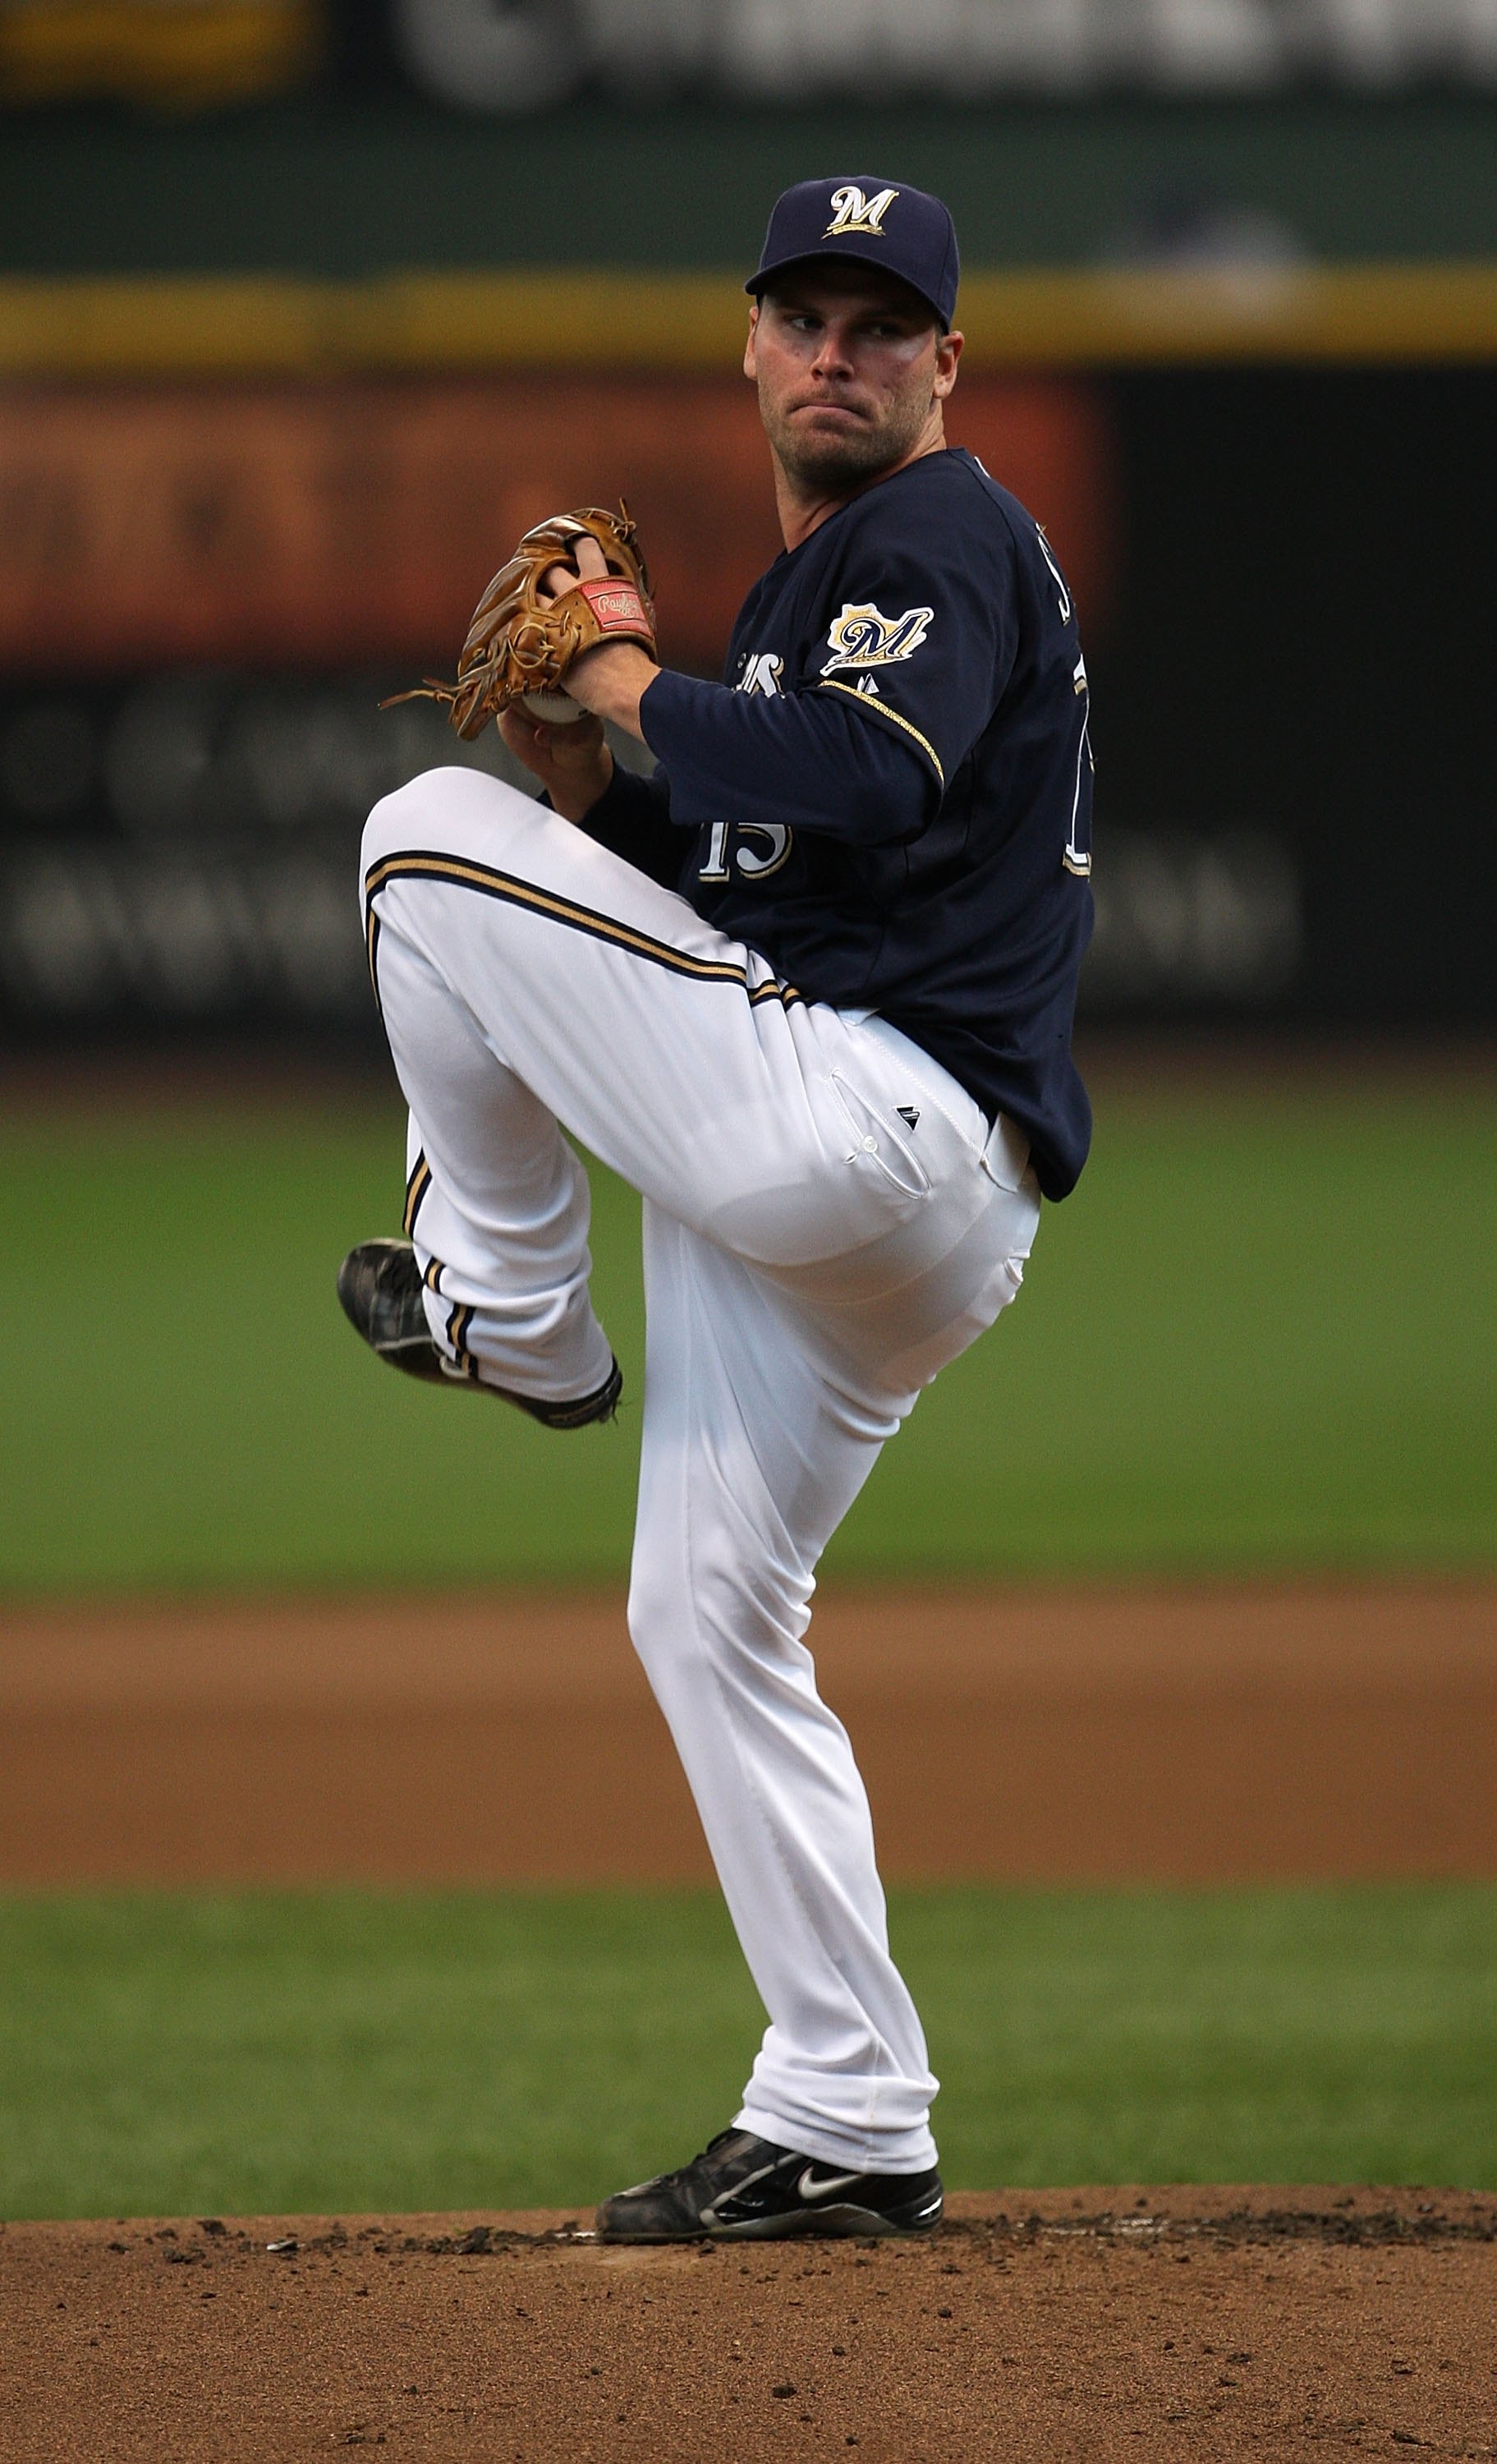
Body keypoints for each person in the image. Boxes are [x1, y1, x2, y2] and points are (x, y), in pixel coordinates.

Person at [340, 175, 1094, 2241]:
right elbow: (726, 890)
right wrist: (612, 786)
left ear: (948, 361)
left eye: (883, 321)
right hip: (871, 1187)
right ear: (752, 349)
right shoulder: (799, 602)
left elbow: (858, 785)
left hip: (875, 1116)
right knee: (704, 1616)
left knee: (420, 839)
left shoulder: (936, 534)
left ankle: (510, 1316)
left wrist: (610, 690)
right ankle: (848, 2108)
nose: (838, 351)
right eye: (806, 316)